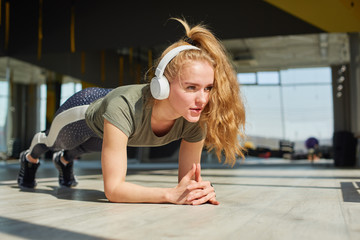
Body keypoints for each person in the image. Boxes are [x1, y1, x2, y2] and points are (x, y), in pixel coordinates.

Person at [17, 18, 246, 205]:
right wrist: (168, 195)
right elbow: (114, 190)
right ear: (162, 86)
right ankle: (29, 157)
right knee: (55, 142)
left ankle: (65, 162)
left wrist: (198, 192)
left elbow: (185, 184)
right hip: (85, 110)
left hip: (112, 127)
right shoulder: (124, 107)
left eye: (208, 88)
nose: (202, 99)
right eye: (191, 88)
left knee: (85, 148)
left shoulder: (195, 120)